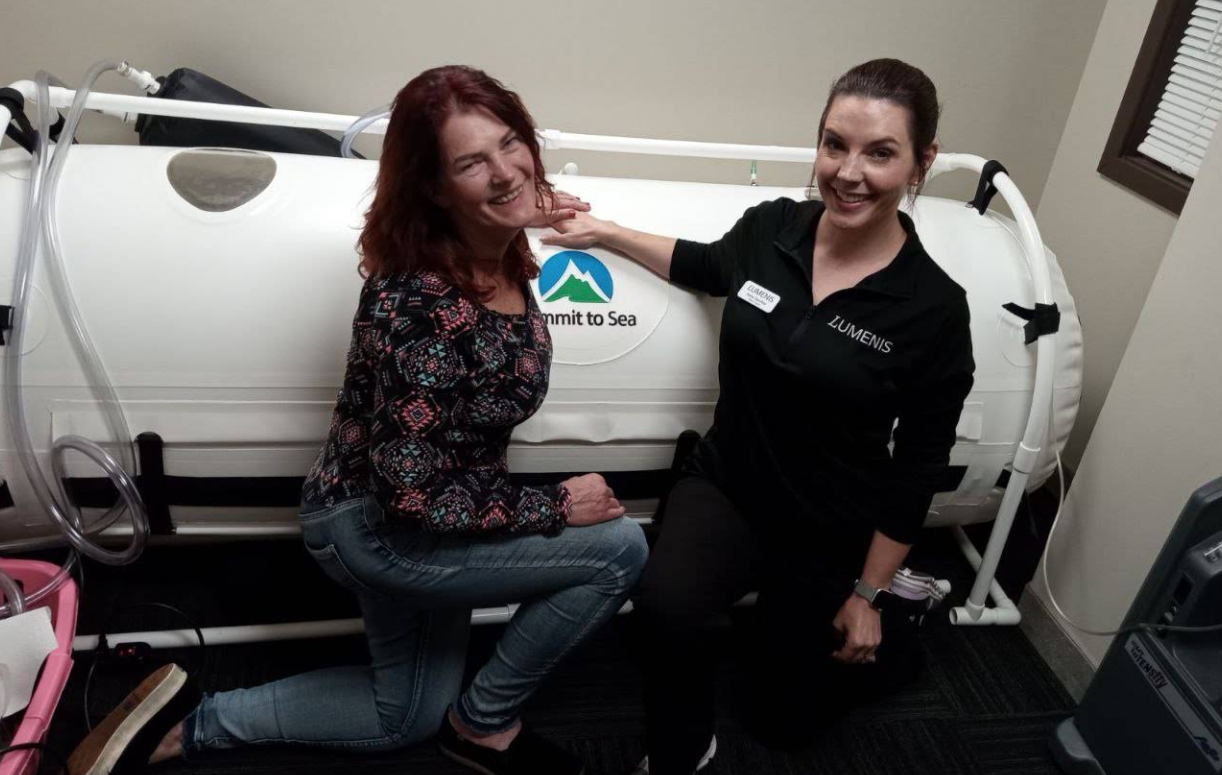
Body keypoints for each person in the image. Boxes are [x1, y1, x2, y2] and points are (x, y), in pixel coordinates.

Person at [68, 65, 648, 775]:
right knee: (620, 547)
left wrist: (527, 202)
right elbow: (412, 493)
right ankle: (485, 724)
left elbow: (509, 193)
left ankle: (187, 723)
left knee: (399, 715)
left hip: (439, 515)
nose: (504, 172)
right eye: (471, 162)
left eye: (510, 145)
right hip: (387, 530)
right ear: (434, 188)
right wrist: (559, 501)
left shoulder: (490, 243)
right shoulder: (421, 304)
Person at [541, 59, 975, 775]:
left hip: (828, 520)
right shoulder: (773, 228)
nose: (849, 171)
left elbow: (920, 463)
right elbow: (706, 264)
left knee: (783, 723)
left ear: (922, 161)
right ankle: (683, 748)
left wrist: (865, 592)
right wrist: (604, 231)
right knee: (666, 611)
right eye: (835, 144)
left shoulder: (932, 306)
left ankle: (898, 613)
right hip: (730, 481)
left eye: (880, 152)